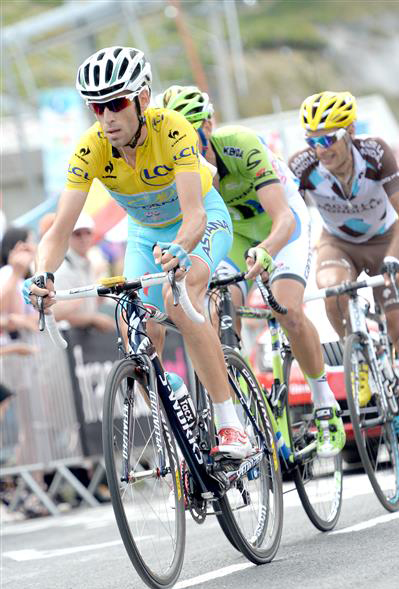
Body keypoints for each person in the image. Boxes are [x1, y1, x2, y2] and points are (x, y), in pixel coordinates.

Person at [23, 46, 255, 460]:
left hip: (197, 224)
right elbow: (58, 231)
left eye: (116, 103)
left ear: (143, 99)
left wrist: (183, 250)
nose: (107, 117)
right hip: (145, 234)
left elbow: (195, 212)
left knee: (180, 301)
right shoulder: (89, 149)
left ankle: (229, 421)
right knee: (138, 331)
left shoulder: (174, 129)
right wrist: (43, 273)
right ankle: (176, 410)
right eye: (97, 107)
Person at [161, 85, 345, 458]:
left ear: (209, 125)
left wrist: (267, 251)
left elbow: (284, 219)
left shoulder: (240, 144)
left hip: (280, 227)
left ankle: (324, 403)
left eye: (191, 133)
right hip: (234, 236)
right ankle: (239, 398)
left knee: (289, 309)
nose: (185, 144)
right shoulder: (177, 166)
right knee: (213, 309)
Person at [289, 91, 399, 404]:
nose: (320, 149)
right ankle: (358, 356)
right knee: (332, 289)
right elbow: (290, 216)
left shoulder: (376, 152)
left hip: (386, 237)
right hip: (338, 243)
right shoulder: (303, 165)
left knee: (396, 322)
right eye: (312, 141)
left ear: (350, 131)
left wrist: (393, 258)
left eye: (328, 140)